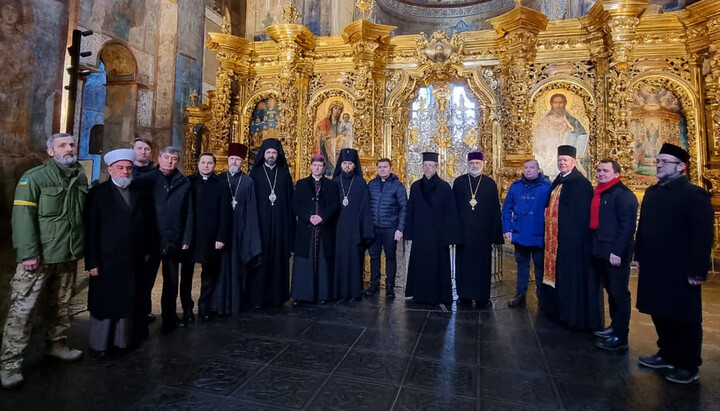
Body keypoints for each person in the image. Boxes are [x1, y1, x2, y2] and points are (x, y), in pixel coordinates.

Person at [1, 133, 87, 389]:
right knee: (22, 311)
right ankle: (9, 364)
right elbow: (22, 217)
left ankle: (57, 345)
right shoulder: (35, 178)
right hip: (39, 257)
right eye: (62, 145)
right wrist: (28, 253)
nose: (68, 149)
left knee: (60, 305)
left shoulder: (79, 176)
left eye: (71, 144)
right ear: (50, 152)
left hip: (67, 254)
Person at [635, 143, 714, 384]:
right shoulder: (653, 193)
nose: (658, 165)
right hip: (654, 266)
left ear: (681, 167)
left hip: (681, 269)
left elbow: (702, 235)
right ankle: (667, 353)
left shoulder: (694, 194)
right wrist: (638, 254)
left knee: (684, 316)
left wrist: (698, 269)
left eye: (664, 162)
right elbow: (644, 228)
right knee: (659, 311)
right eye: (657, 161)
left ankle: (688, 364)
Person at [83, 149, 157, 356]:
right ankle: (100, 345)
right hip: (106, 260)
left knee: (127, 301)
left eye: (128, 168)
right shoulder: (98, 194)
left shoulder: (140, 193)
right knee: (105, 302)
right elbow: (91, 230)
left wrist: (148, 253)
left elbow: (149, 225)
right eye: (120, 168)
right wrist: (92, 262)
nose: (125, 172)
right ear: (110, 170)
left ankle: (121, 342)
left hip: (132, 259)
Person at [543, 145, 602, 330]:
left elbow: (583, 216)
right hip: (557, 241)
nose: (562, 163)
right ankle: (559, 311)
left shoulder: (581, 184)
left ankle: (571, 315)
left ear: (574, 162)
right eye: (560, 160)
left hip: (574, 243)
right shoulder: (558, 181)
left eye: (565, 160)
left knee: (571, 278)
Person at [137, 146, 193, 333]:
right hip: (151, 238)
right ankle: (142, 314)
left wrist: (186, 237)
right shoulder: (146, 180)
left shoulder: (183, 182)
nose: (170, 161)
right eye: (167, 157)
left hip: (174, 238)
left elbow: (189, 213)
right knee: (146, 280)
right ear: (159, 158)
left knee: (171, 282)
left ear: (178, 161)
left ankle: (169, 317)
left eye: (174, 158)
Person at [589, 159, 638, 352]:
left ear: (616, 174)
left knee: (619, 294)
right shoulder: (601, 192)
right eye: (599, 170)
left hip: (615, 254)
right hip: (601, 250)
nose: (601, 174)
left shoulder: (623, 195)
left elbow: (627, 228)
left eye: (605, 171)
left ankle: (621, 335)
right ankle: (613, 326)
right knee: (610, 292)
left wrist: (617, 251)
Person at [405, 152, 462, 307]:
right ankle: (419, 294)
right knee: (420, 265)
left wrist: (451, 237)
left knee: (438, 266)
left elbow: (451, 213)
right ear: (422, 167)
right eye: (425, 166)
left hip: (438, 235)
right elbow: (411, 210)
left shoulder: (444, 187)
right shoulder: (416, 186)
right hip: (420, 234)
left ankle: (439, 295)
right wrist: (408, 233)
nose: (428, 168)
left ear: (437, 167)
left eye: (431, 166)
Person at [212, 143, 262, 315]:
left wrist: (249, 235)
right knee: (218, 269)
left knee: (238, 268)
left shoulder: (248, 182)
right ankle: (217, 304)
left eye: (237, 160)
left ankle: (236, 303)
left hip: (240, 231)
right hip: (221, 231)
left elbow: (252, 210)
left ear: (242, 161)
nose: (234, 162)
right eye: (232, 159)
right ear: (228, 160)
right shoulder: (219, 179)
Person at [181, 153, 231, 321]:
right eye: (203, 162)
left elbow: (225, 213)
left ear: (214, 165)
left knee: (209, 275)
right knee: (186, 275)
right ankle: (187, 309)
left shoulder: (221, 185)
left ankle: (205, 307)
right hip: (191, 236)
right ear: (198, 164)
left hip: (211, 237)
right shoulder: (189, 182)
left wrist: (221, 237)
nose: (206, 165)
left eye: (210, 163)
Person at [247, 138, 295, 308]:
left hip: (281, 225)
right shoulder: (255, 174)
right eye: (268, 152)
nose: (271, 155)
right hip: (261, 226)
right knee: (262, 261)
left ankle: (278, 297)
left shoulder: (284, 174)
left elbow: (290, 202)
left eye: (274, 153)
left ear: (278, 155)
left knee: (279, 260)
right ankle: (258, 298)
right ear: (263, 154)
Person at [452, 152, 504, 306]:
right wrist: (454, 232)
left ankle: (482, 297)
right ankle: (464, 296)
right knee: (464, 265)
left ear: (483, 164)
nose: (474, 166)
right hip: (463, 234)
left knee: (482, 265)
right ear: (468, 164)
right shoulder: (459, 182)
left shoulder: (490, 183)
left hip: (483, 234)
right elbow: (453, 209)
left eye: (477, 163)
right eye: (472, 163)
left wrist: (495, 235)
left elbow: (495, 210)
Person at [291, 154, 341, 304]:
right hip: (306, 229)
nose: (317, 168)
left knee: (323, 262)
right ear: (311, 167)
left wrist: (322, 217)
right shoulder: (301, 184)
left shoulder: (331, 185)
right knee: (304, 262)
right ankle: (302, 295)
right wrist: (308, 217)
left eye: (320, 166)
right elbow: (295, 205)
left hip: (323, 229)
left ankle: (322, 295)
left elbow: (335, 205)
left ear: (324, 168)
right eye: (315, 165)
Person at [502, 159, 552, 308]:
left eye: (532, 167)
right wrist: (507, 229)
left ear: (538, 170)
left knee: (540, 266)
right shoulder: (516, 186)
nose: (528, 170)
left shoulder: (547, 187)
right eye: (526, 167)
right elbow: (507, 209)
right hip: (520, 231)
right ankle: (520, 294)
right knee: (522, 265)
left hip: (539, 233)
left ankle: (542, 295)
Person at [332, 148, 374, 301]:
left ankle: (354, 292)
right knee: (338, 260)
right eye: (344, 163)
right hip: (337, 230)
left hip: (355, 230)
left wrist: (362, 230)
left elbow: (365, 209)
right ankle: (337, 292)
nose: (347, 166)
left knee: (355, 260)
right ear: (340, 165)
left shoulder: (361, 183)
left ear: (355, 165)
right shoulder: (335, 182)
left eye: (350, 163)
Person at [366, 158, 407, 298]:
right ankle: (374, 285)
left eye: (385, 167)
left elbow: (403, 208)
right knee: (374, 256)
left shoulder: (397, 186)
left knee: (390, 257)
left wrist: (400, 229)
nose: (382, 169)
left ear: (391, 168)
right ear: (377, 169)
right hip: (374, 228)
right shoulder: (371, 185)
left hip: (390, 228)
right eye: (380, 167)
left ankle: (390, 287)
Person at [534, 93, 587, 178]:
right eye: (555, 103)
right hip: (549, 154)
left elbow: (581, 135)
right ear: (551, 104)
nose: (558, 105)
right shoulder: (544, 122)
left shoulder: (572, 121)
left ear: (565, 103)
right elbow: (538, 141)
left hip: (568, 153)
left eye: (561, 102)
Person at [315, 101, 344, 175]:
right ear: (331, 109)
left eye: (339, 109)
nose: (337, 111)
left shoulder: (341, 125)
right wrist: (329, 137)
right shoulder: (323, 124)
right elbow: (318, 140)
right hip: (326, 154)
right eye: (335, 108)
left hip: (337, 152)